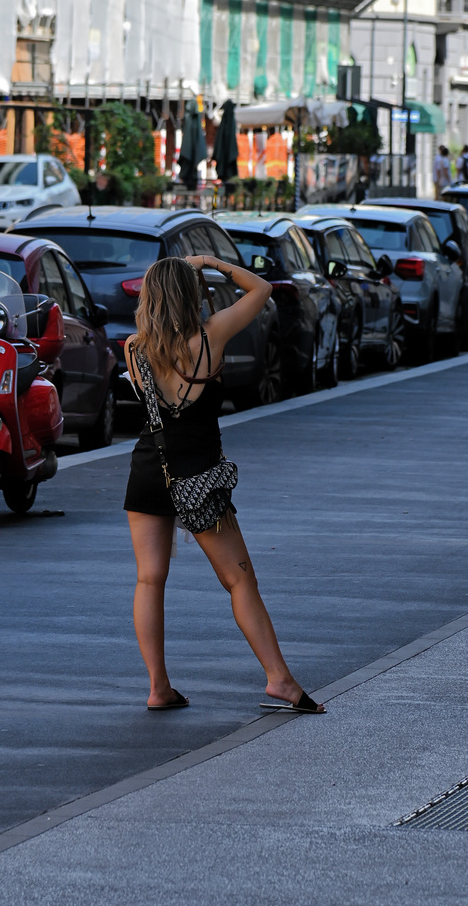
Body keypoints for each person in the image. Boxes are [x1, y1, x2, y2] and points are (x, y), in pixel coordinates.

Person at [123, 256, 323, 714]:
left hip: (149, 471)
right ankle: (281, 680)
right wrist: (211, 262)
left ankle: (158, 688)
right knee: (239, 580)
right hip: (199, 476)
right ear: (187, 294)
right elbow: (262, 291)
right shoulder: (209, 337)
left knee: (149, 580)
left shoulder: (134, 348)